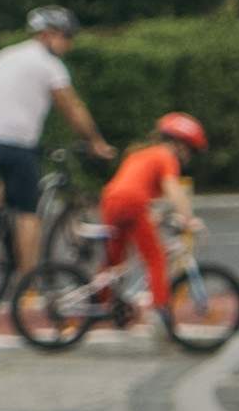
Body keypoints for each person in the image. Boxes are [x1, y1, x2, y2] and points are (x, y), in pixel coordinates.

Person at [0, 4, 104, 272]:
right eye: (66, 37)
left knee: (8, 177)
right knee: (29, 211)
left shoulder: (6, 55)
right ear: (48, 34)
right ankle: (28, 282)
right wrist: (95, 141)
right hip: (13, 144)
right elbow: (73, 108)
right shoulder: (50, 65)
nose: (68, 44)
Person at [89, 109, 214, 323]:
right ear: (179, 144)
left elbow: (137, 187)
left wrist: (156, 216)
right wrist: (188, 218)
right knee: (155, 258)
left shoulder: (142, 153)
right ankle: (160, 311)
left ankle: (99, 303)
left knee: (115, 261)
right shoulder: (166, 156)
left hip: (111, 201)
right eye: (189, 150)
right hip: (132, 202)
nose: (187, 156)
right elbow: (173, 189)